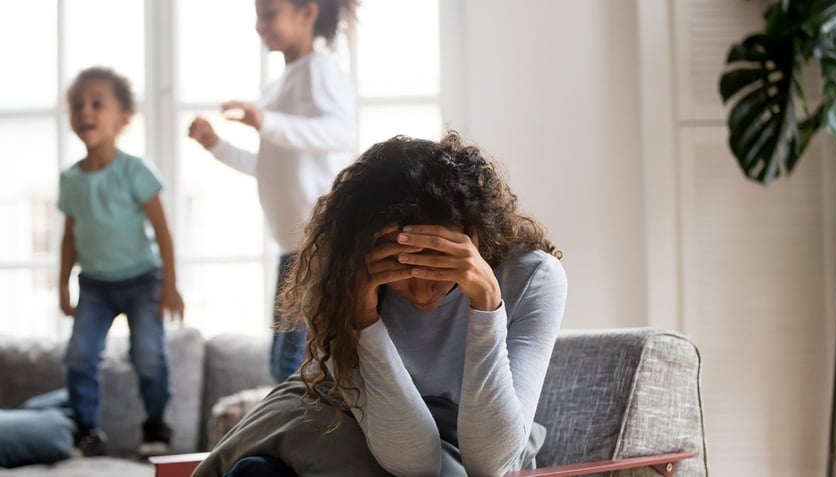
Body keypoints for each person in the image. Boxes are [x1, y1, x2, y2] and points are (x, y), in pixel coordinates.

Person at [192, 131, 568, 477]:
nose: (420, 291)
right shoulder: (340, 275)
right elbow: (413, 459)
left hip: (468, 434)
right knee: (256, 473)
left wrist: (487, 305)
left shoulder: (532, 277)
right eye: (399, 267)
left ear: (473, 236)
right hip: (348, 412)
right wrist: (363, 319)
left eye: (437, 263)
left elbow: (491, 462)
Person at [187, 0, 358, 384]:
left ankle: (295, 438)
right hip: (292, 243)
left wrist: (266, 120)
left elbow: (340, 134)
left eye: (268, 14)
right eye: (258, 15)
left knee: (293, 362)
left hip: (320, 238)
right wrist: (216, 145)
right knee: (283, 361)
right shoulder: (278, 86)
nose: (259, 25)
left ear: (306, 13)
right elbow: (266, 167)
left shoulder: (321, 69)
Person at [58, 66, 185, 458]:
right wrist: (63, 284)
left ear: (123, 118)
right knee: (79, 355)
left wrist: (170, 285)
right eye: (78, 105)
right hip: (94, 284)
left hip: (143, 279)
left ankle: (155, 425)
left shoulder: (135, 170)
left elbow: (163, 231)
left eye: (97, 104)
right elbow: (69, 237)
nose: (85, 112)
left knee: (147, 353)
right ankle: (86, 431)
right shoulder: (71, 180)